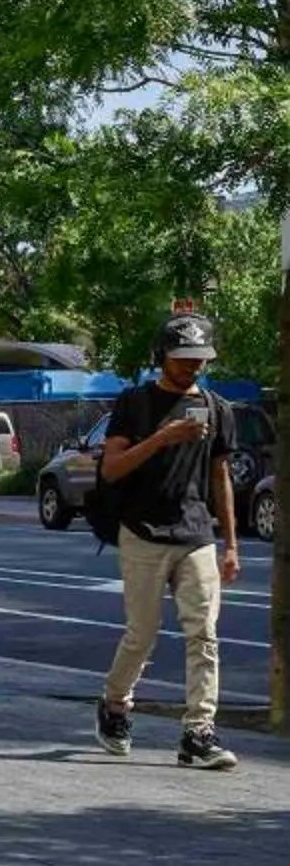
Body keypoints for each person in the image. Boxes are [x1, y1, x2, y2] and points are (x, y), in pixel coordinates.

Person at [93, 313, 244, 770]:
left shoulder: (218, 409)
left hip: (196, 534)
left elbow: (221, 479)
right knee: (142, 635)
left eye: (200, 359)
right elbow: (112, 468)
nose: (193, 367)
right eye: (183, 359)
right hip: (142, 532)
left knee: (205, 634)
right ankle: (115, 703)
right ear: (162, 357)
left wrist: (231, 544)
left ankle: (198, 732)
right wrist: (162, 438)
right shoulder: (135, 403)